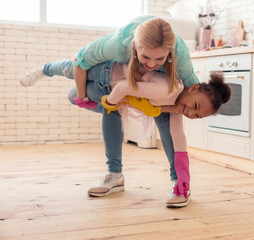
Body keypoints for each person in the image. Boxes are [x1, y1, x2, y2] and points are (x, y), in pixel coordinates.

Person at [20, 15, 200, 208]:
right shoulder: (118, 44)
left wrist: (183, 173)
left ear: (170, 54)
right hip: (116, 78)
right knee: (89, 98)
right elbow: (79, 60)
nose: (151, 64)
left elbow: (191, 96)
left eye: (160, 59)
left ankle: (179, 184)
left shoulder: (180, 60)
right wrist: (83, 98)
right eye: (146, 56)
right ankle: (114, 175)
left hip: (145, 89)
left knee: (165, 120)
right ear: (134, 47)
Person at [20, 59, 231, 207]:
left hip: (119, 90)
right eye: (194, 106)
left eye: (197, 116)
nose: (190, 113)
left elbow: (173, 131)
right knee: (72, 76)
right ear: (193, 89)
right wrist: (113, 102)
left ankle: (133, 177)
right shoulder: (169, 88)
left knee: (86, 99)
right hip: (111, 74)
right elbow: (125, 87)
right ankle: (45, 69)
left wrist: (183, 179)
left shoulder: (180, 103)